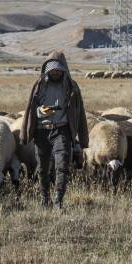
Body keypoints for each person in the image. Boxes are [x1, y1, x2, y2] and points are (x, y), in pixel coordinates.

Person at [20, 50, 88, 209]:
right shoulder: (38, 85)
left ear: (64, 69)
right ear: (47, 69)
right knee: (42, 168)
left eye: (58, 69)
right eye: (53, 70)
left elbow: (80, 111)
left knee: (62, 166)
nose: (56, 72)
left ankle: (58, 201)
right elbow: (31, 107)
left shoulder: (72, 86)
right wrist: (41, 111)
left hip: (61, 130)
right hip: (41, 130)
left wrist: (82, 137)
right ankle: (45, 199)